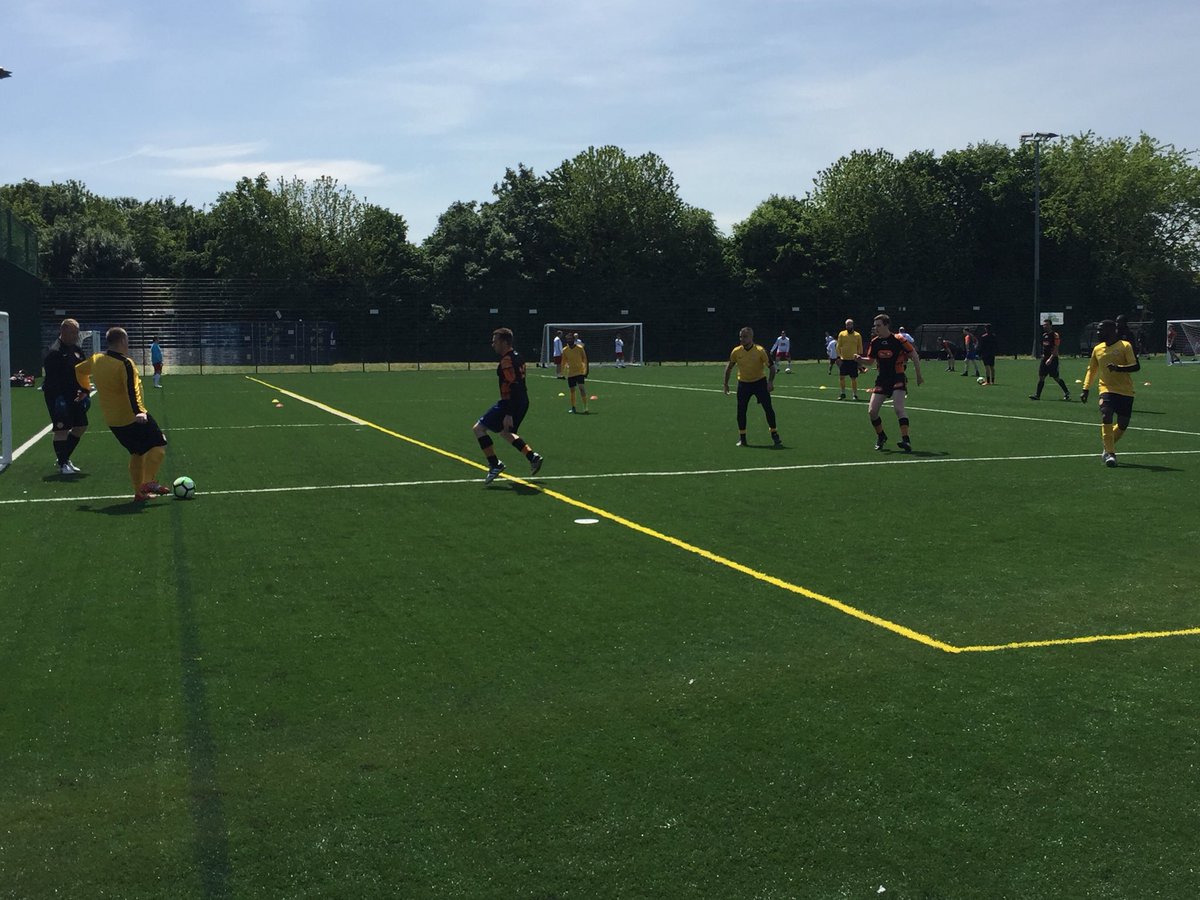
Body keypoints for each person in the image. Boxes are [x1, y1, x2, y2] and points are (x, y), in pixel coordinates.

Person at [74, 327, 171, 502]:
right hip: (131, 417)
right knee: (160, 444)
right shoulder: (125, 363)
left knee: (137, 452)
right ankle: (148, 482)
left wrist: (85, 389)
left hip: (113, 420)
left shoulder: (96, 359)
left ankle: (139, 493)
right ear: (123, 341)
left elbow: (79, 370)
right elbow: (132, 390)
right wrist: (139, 412)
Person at [472, 327, 543, 484]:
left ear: (504, 342)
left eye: (495, 341)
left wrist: (509, 413)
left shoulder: (507, 360)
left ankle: (494, 464)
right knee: (505, 432)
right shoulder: (517, 356)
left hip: (511, 402)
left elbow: (514, 385)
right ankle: (532, 457)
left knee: (478, 429)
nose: (493, 344)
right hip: (522, 400)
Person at [858, 314, 924, 452]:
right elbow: (870, 361)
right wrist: (859, 359)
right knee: (872, 411)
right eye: (875, 325)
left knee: (898, 408)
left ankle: (906, 440)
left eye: (879, 325)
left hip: (898, 377)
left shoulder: (898, 339)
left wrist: (918, 375)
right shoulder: (874, 342)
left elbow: (914, 355)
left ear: (886, 325)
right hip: (882, 379)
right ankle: (881, 436)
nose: (876, 328)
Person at [1080, 319, 1140, 468]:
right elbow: (1091, 370)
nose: (1099, 333)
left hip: (1125, 391)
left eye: (1101, 330)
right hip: (1106, 389)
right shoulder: (1097, 349)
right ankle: (1110, 454)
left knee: (1123, 424)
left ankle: (1107, 446)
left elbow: (1135, 366)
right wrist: (1085, 388)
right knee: (1106, 415)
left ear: (1112, 331)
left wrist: (1118, 368)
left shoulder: (1125, 346)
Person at [42, 318, 90, 475]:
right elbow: (51, 378)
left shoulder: (76, 349)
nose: (75, 335)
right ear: (62, 331)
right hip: (58, 397)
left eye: (77, 332)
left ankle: (64, 457)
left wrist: (85, 391)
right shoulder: (54, 351)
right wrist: (58, 398)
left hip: (75, 396)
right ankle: (63, 464)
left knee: (81, 426)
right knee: (62, 429)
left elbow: (83, 372)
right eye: (72, 332)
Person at [724, 326, 782, 448]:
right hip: (743, 384)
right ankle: (742, 438)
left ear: (751, 337)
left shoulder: (760, 351)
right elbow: (729, 367)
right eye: (741, 336)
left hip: (759, 383)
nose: (742, 339)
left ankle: (774, 434)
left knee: (768, 408)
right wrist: (726, 384)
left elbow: (772, 367)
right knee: (741, 410)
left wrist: (770, 382)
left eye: (745, 337)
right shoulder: (736, 351)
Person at [1030, 318, 1071, 400]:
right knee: (1041, 377)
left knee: (1056, 377)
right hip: (1044, 359)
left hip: (1053, 359)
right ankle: (1037, 395)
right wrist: (1043, 356)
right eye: (1044, 325)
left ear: (1051, 325)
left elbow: (1056, 348)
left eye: (1047, 325)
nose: (1045, 326)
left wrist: (1050, 358)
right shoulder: (1044, 335)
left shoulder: (1055, 335)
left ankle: (1066, 392)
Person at [561, 332, 589, 413]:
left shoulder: (580, 348)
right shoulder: (565, 350)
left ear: (574, 339)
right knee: (572, 390)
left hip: (579, 371)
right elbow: (564, 361)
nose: (569, 340)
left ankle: (585, 407)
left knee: (581, 388)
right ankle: (573, 407)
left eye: (571, 339)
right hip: (571, 373)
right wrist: (563, 371)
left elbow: (584, 359)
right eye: (568, 339)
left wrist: (585, 370)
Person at [835, 318, 864, 400]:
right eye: (847, 324)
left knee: (853, 378)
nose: (848, 326)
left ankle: (855, 394)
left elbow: (860, 347)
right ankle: (842, 393)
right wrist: (838, 357)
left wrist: (860, 360)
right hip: (844, 359)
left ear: (852, 325)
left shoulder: (857, 335)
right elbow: (838, 346)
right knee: (841, 377)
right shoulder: (842, 334)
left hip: (853, 360)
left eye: (850, 324)